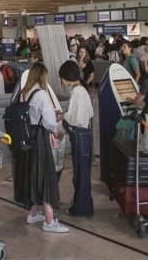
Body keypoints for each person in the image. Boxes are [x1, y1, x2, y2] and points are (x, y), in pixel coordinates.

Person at [15, 63, 69, 233]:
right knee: (46, 176)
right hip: (40, 138)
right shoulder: (41, 95)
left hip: (27, 137)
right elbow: (49, 121)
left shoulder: (25, 93)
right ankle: (49, 220)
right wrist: (57, 131)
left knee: (32, 175)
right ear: (42, 76)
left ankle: (32, 213)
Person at [58, 61, 94, 217]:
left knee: (80, 174)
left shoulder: (77, 92)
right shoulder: (83, 90)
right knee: (82, 173)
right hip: (85, 134)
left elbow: (74, 118)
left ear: (67, 77)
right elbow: (89, 113)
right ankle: (83, 205)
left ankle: (81, 208)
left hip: (79, 134)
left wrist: (61, 116)